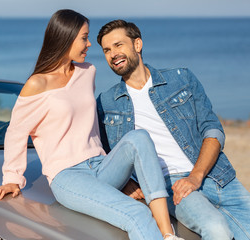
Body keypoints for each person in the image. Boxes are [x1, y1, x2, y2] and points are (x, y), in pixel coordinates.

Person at [0, 9, 185, 240]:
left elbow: (91, 125)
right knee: (135, 213)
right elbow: (16, 132)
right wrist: (12, 178)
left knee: (139, 137)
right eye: (84, 37)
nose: (89, 44)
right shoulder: (38, 83)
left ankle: (168, 234)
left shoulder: (87, 72)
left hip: (101, 164)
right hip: (68, 175)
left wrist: (123, 178)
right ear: (66, 37)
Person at [96, 19, 250, 240]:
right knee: (217, 229)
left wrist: (196, 176)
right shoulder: (106, 102)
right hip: (170, 184)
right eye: (106, 50)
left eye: (119, 45)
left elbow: (212, 130)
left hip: (216, 175)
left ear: (137, 45)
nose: (113, 54)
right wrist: (125, 183)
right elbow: (101, 153)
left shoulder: (181, 79)